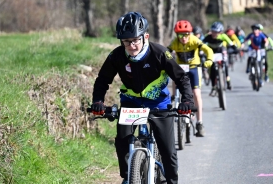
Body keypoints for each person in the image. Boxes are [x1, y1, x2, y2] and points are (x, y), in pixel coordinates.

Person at [90, 12, 194, 184]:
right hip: (131, 102)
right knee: (122, 141)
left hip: (158, 103)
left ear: (145, 36)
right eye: (126, 42)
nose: (131, 45)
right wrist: (98, 102)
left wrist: (187, 101)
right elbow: (102, 80)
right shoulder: (116, 56)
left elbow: (181, 78)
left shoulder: (160, 53)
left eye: (135, 40)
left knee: (168, 150)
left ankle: (171, 181)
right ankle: (128, 177)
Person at [168, 20, 213, 137]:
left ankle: (199, 123)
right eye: (180, 35)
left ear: (190, 33)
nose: (183, 38)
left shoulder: (195, 40)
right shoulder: (175, 43)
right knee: (174, 75)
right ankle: (174, 96)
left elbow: (208, 50)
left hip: (194, 68)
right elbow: (166, 52)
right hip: (181, 69)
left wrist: (209, 60)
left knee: (196, 94)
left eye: (186, 34)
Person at [203, 22, 236, 94]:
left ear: (220, 32)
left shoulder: (223, 36)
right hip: (212, 52)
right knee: (212, 69)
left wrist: (235, 49)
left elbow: (231, 43)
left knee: (225, 63)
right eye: (213, 32)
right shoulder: (208, 36)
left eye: (217, 32)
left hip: (221, 50)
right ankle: (213, 86)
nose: (214, 34)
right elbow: (201, 44)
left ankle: (227, 79)